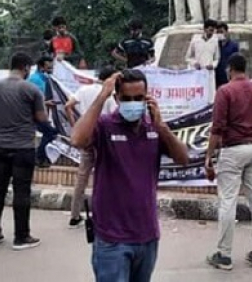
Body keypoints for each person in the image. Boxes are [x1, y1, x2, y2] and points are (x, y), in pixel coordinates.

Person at [71, 69, 189, 282]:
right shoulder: (105, 125)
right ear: (117, 99)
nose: (133, 103)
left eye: (138, 98)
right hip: (112, 239)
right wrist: (101, 97)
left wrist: (162, 127)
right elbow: (78, 139)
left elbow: (183, 158)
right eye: (126, 99)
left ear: (147, 97)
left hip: (147, 235)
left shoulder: (154, 127)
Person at [205, 54, 252, 271]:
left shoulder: (225, 91)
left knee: (228, 201)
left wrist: (209, 157)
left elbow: (217, 128)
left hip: (233, 149)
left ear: (230, 69)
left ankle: (224, 254)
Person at [0, 53, 47, 251]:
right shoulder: (31, 89)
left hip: (1, 146)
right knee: (22, 191)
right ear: (27, 68)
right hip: (23, 148)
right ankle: (21, 236)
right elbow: (41, 118)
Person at [66, 66, 118, 229]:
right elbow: (115, 116)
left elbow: (68, 105)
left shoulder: (84, 90)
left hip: (86, 135)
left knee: (82, 176)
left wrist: (76, 126)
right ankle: (101, 214)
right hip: (102, 137)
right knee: (103, 176)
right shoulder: (108, 96)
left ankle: (74, 215)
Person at [27, 56, 59, 168]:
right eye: (48, 64)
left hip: (41, 113)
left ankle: (40, 156)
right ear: (41, 66)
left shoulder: (46, 78)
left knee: (50, 132)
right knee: (51, 132)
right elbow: (31, 99)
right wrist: (46, 103)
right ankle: (38, 155)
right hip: (33, 114)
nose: (51, 66)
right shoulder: (35, 80)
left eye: (52, 63)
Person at [215, 22, 240, 89]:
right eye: (218, 32)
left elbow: (236, 60)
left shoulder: (233, 45)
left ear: (226, 32)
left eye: (221, 32)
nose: (220, 34)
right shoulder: (215, 45)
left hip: (228, 76)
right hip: (216, 76)